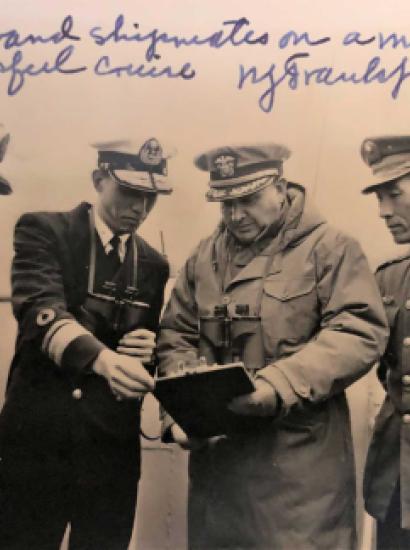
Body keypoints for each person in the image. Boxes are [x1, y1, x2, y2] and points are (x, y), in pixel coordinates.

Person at [157, 143, 388, 549]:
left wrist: (277, 385)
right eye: (225, 204)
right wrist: (183, 411)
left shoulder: (331, 249)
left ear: (280, 188)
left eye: (248, 199)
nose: (235, 215)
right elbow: (175, 335)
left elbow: (358, 331)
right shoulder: (203, 256)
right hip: (218, 475)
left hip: (298, 480)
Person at [0, 137, 172, 550]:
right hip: (37, 447)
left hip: (110, 455)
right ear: (99, 179)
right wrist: (107, 360)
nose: (140, 209)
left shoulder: (154, 264)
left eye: (150, 198)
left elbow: (142, 360)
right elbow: (41, 316)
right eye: (130, 192)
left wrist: (148, 354)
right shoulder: (44, 231)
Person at [361, 135, 410, 549]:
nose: (383, 212)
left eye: (393, 194)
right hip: (397, 479)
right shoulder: (389, 277)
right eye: (379, 197)